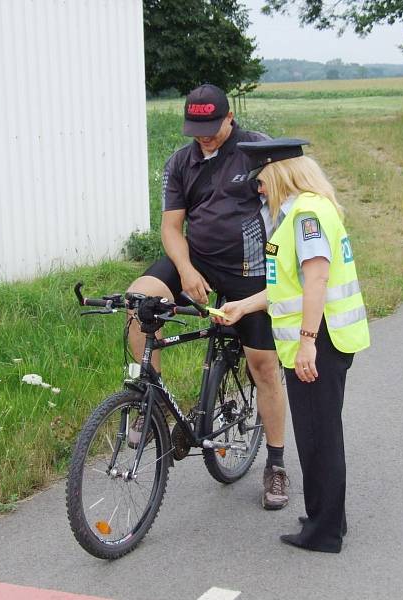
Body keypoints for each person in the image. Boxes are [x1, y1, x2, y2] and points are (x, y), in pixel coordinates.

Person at [126, 84, 290, 510]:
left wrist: (279, 264)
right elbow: (170, 228)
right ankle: (152, 405)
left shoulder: (256, 148)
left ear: (229, 117)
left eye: (211, 128)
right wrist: (185, 269)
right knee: (138, 303)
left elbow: (286, 206)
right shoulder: (181, 162)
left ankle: (275, 463)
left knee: (263, 364)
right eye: (195, 128)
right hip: (196, 259)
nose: (203, 136)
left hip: (248, 268)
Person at [217, 138, 371, 553]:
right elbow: (286, 286)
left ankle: (323, 533)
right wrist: (243, 306)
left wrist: (307, 342)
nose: (258, 190)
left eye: (261, 181)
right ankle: (327, 519)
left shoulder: (305, 215)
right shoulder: (299, 215)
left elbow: (316, 280)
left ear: (279, 173)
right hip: (321, 338)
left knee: (319, 437)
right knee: (320, 434)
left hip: (319, 340)